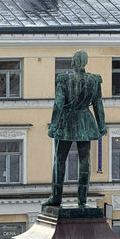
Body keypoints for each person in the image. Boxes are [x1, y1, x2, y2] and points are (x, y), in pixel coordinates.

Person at [44, 49, 107, 209]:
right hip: (86, 121)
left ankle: (56, 198)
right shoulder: (94, 80)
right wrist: (101, 125)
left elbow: (58, 104)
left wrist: (53, 125)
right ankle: (82, 200)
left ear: (74, 62)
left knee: (59, 160)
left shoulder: (64, 80)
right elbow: (98, 104)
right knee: (85, 161)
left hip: (66, 122)